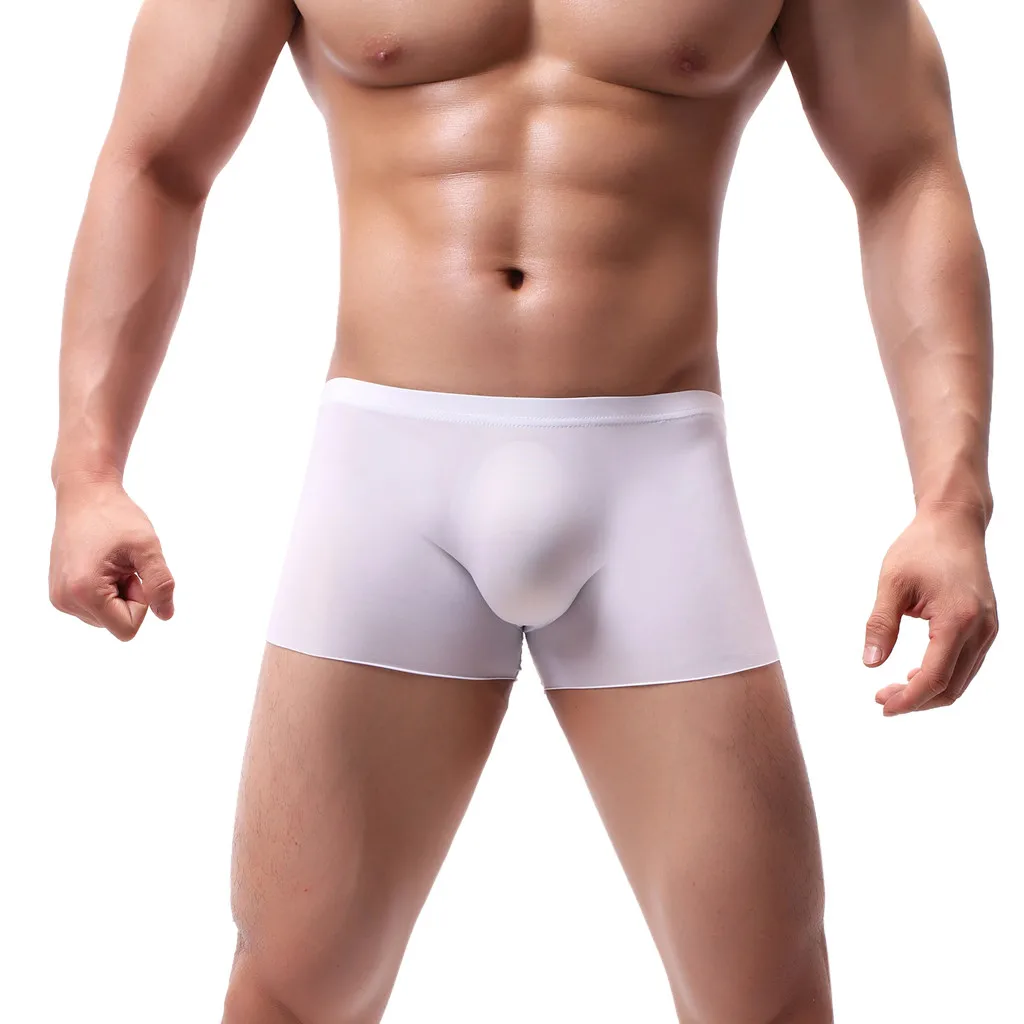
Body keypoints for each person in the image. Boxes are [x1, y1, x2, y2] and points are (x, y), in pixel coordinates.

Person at [47, 0, 998, 1021]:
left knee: (766, 998)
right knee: (291, 991)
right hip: (391, 479)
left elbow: (905, 171)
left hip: (650, 484)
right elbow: (157, 161)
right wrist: (88, 472)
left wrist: (951, 502)